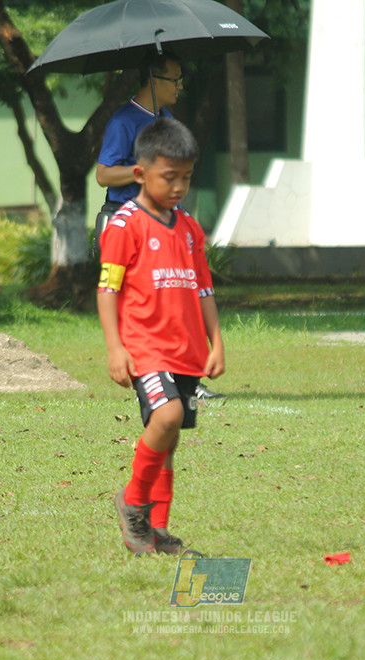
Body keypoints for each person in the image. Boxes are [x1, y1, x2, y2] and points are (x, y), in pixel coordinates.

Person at [98, 117, 225, 556]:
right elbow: (108, 290)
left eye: (186, 178)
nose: (178, 187)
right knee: (167, 417)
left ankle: (157, 531)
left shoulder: (189, 228)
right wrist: (116, 348)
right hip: (145, 348)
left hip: (186, 351)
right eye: (169, 177)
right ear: (140, 173)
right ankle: (132, 502)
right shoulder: (124, 225)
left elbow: (204, 288)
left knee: (169, 441)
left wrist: (216, 342)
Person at [95, 52, 226, 401]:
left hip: (168, 224)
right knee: (147, 303)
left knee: (180, 295)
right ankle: (147, 370)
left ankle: (186, 375)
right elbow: (103, 174)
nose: (180, 86)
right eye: (175, 79)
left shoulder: (167, 121)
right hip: (134, 225)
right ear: (154, 80)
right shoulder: (123, 121)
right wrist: (144, 172)